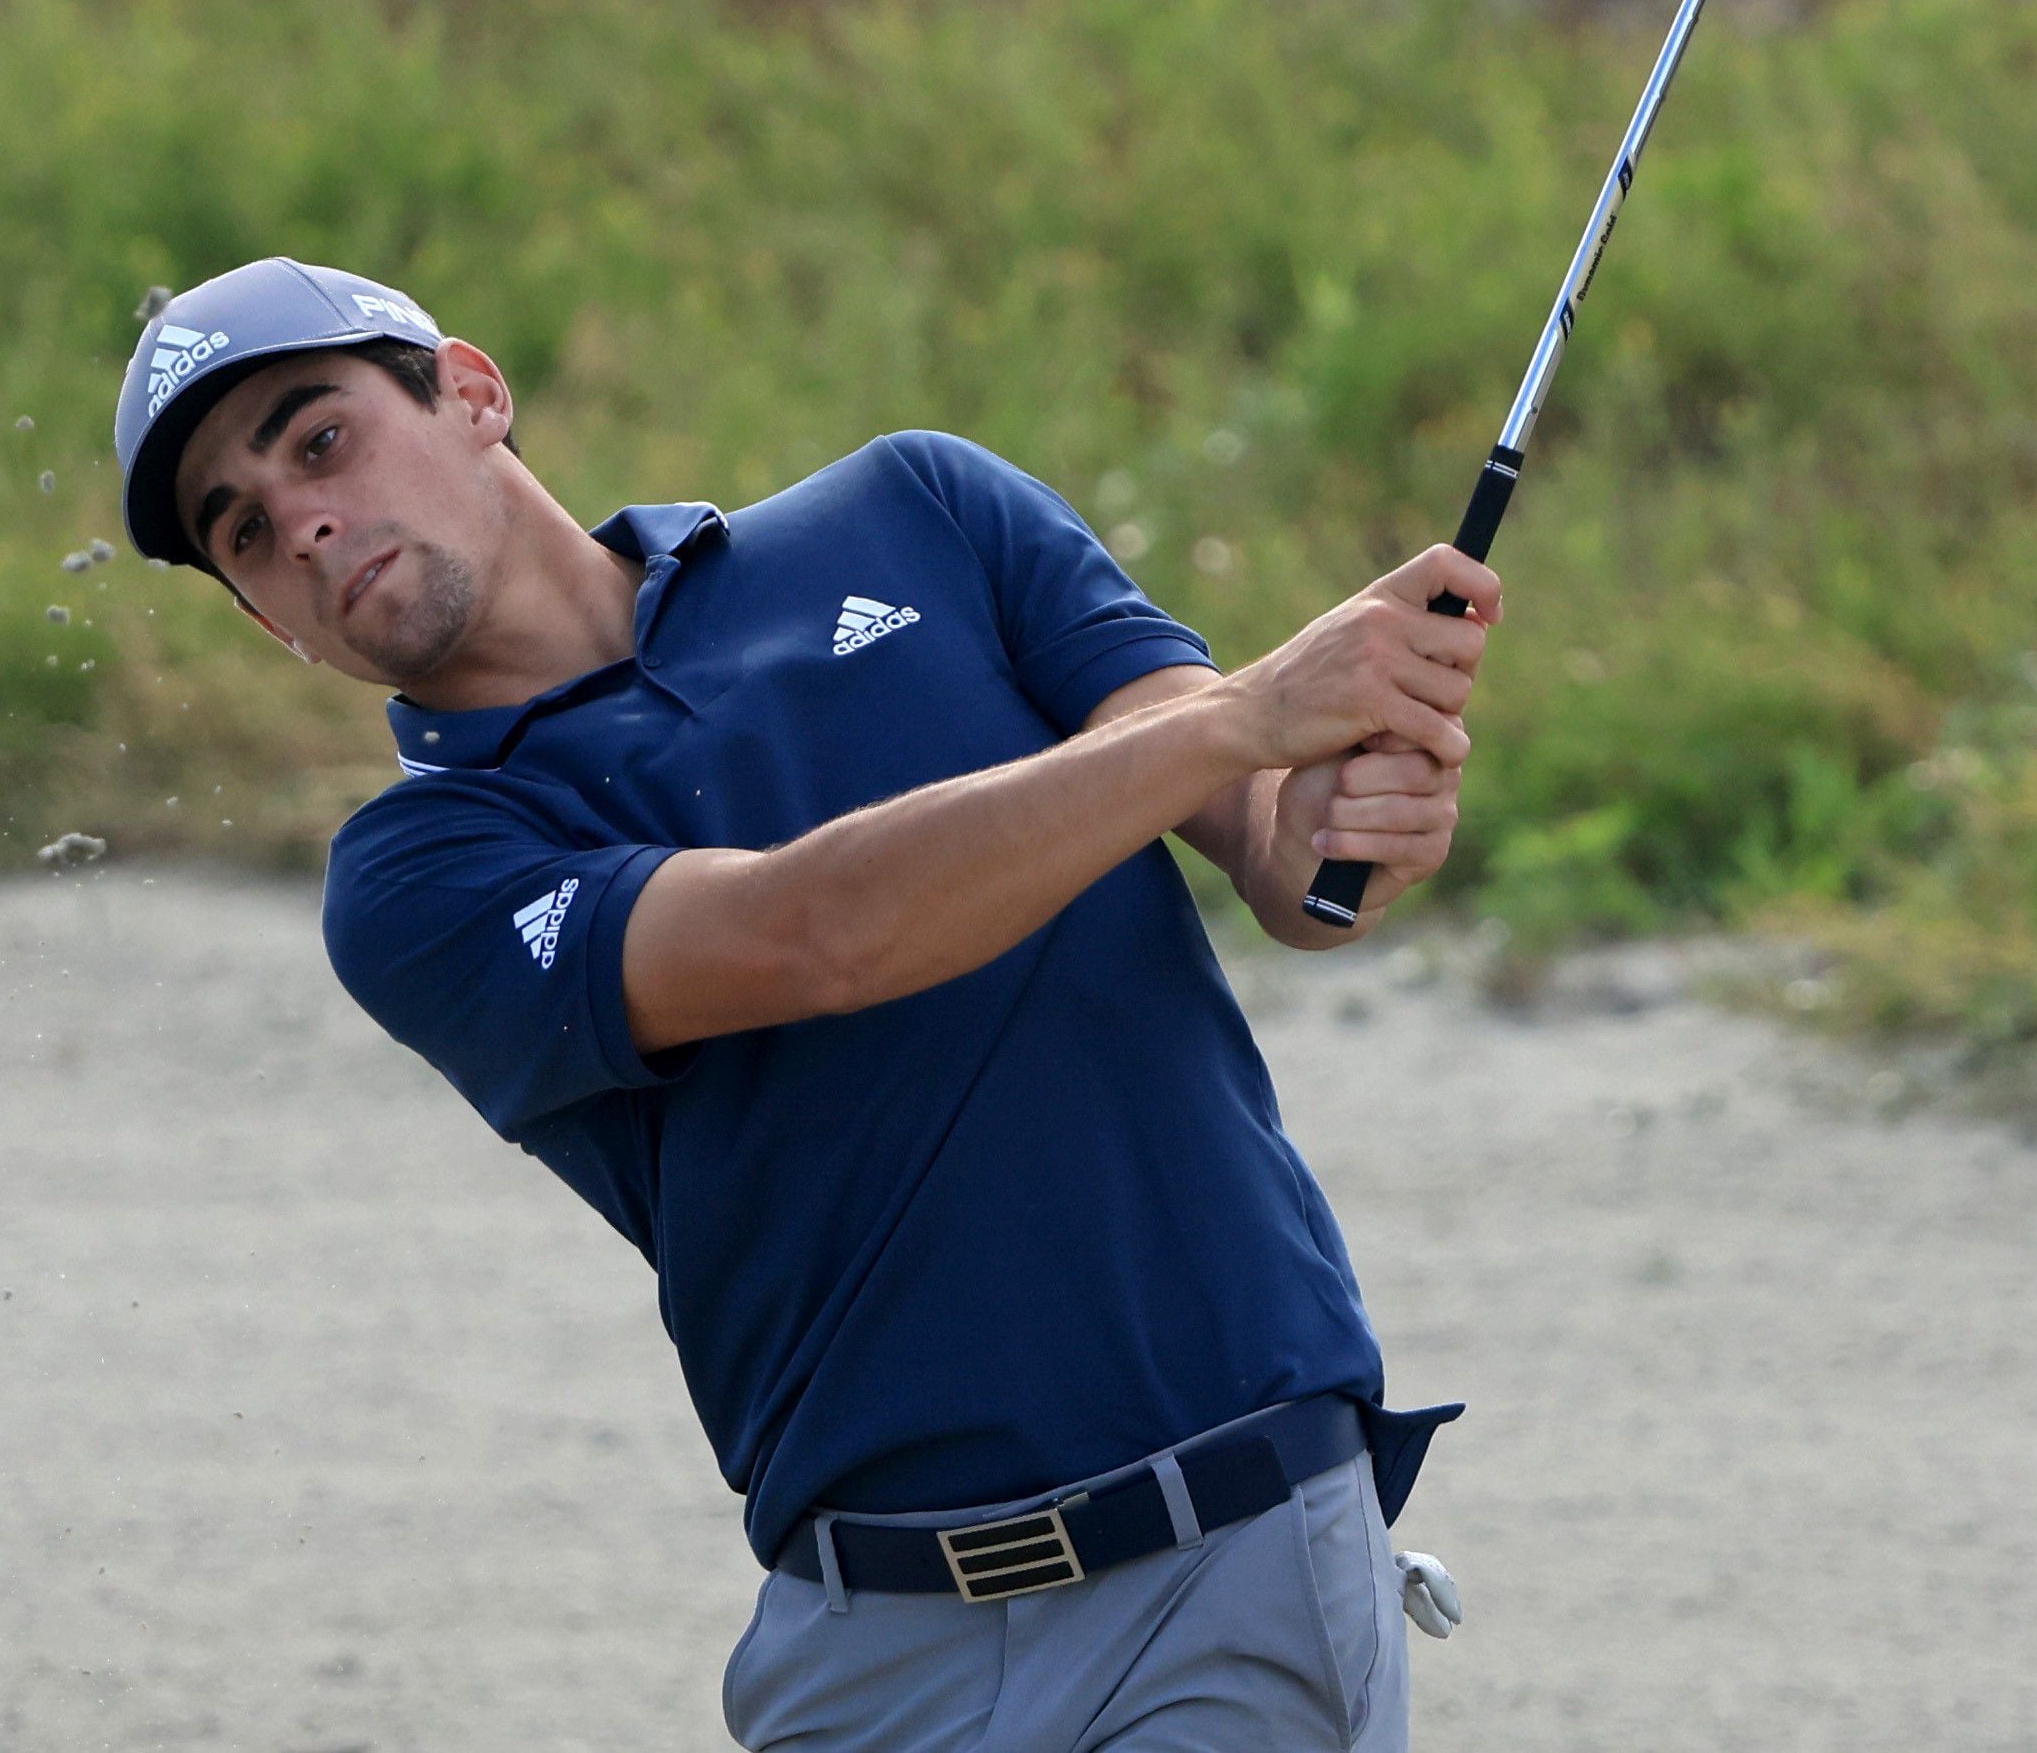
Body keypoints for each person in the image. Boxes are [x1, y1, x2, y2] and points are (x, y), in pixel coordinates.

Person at [113, 259, 1496, 1752]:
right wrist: (1251, 717)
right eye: (244, 530)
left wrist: (1317, 821)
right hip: (868, 1651)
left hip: (1228, 1559)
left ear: (472, 389)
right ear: (267, 619)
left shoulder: (922, 510)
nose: (303, 523)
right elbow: (809, 933)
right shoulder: (421, 876)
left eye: (318, 439)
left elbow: (1239, 813)